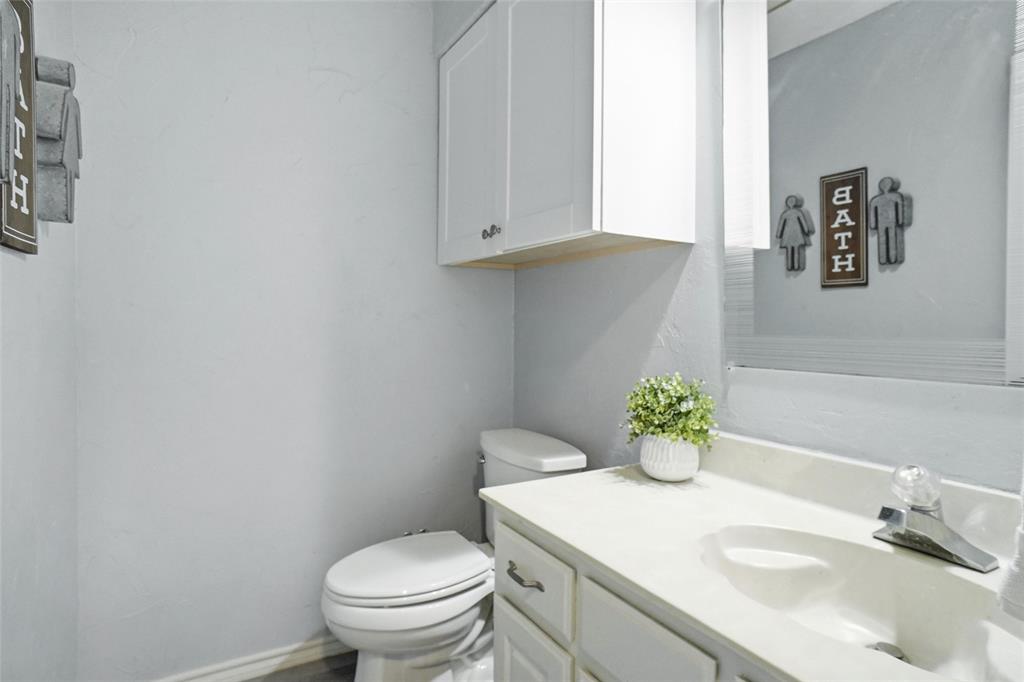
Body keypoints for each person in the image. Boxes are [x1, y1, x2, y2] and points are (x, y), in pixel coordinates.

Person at [776, 194, 814, 271]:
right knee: (791, 250)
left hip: (795, 235)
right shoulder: (786, 213)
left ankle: (795, 266)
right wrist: (778, 234)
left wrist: (807, 231)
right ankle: (791, 266)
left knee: (795, 250)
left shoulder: (796, 212)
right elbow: (781, 225)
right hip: (790, 235)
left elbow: (803, 222)